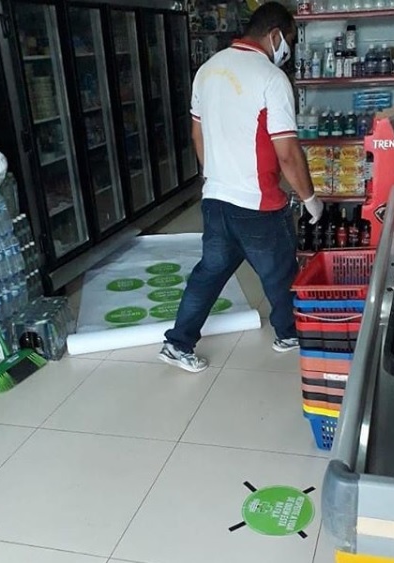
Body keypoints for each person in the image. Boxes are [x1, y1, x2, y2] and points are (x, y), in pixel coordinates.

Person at [158, 2, 324, 373]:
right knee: (281, 272)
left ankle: (178, 342)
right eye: (290, 41)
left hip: (216, 198)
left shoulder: (207, 70)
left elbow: (197, 134)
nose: (288, 50)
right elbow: (287, 153)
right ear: (275, 35)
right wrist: (311, 199)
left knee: (209, 273)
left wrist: (218, 175)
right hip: (258, 205)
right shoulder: (271, 78)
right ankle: (288, 334)